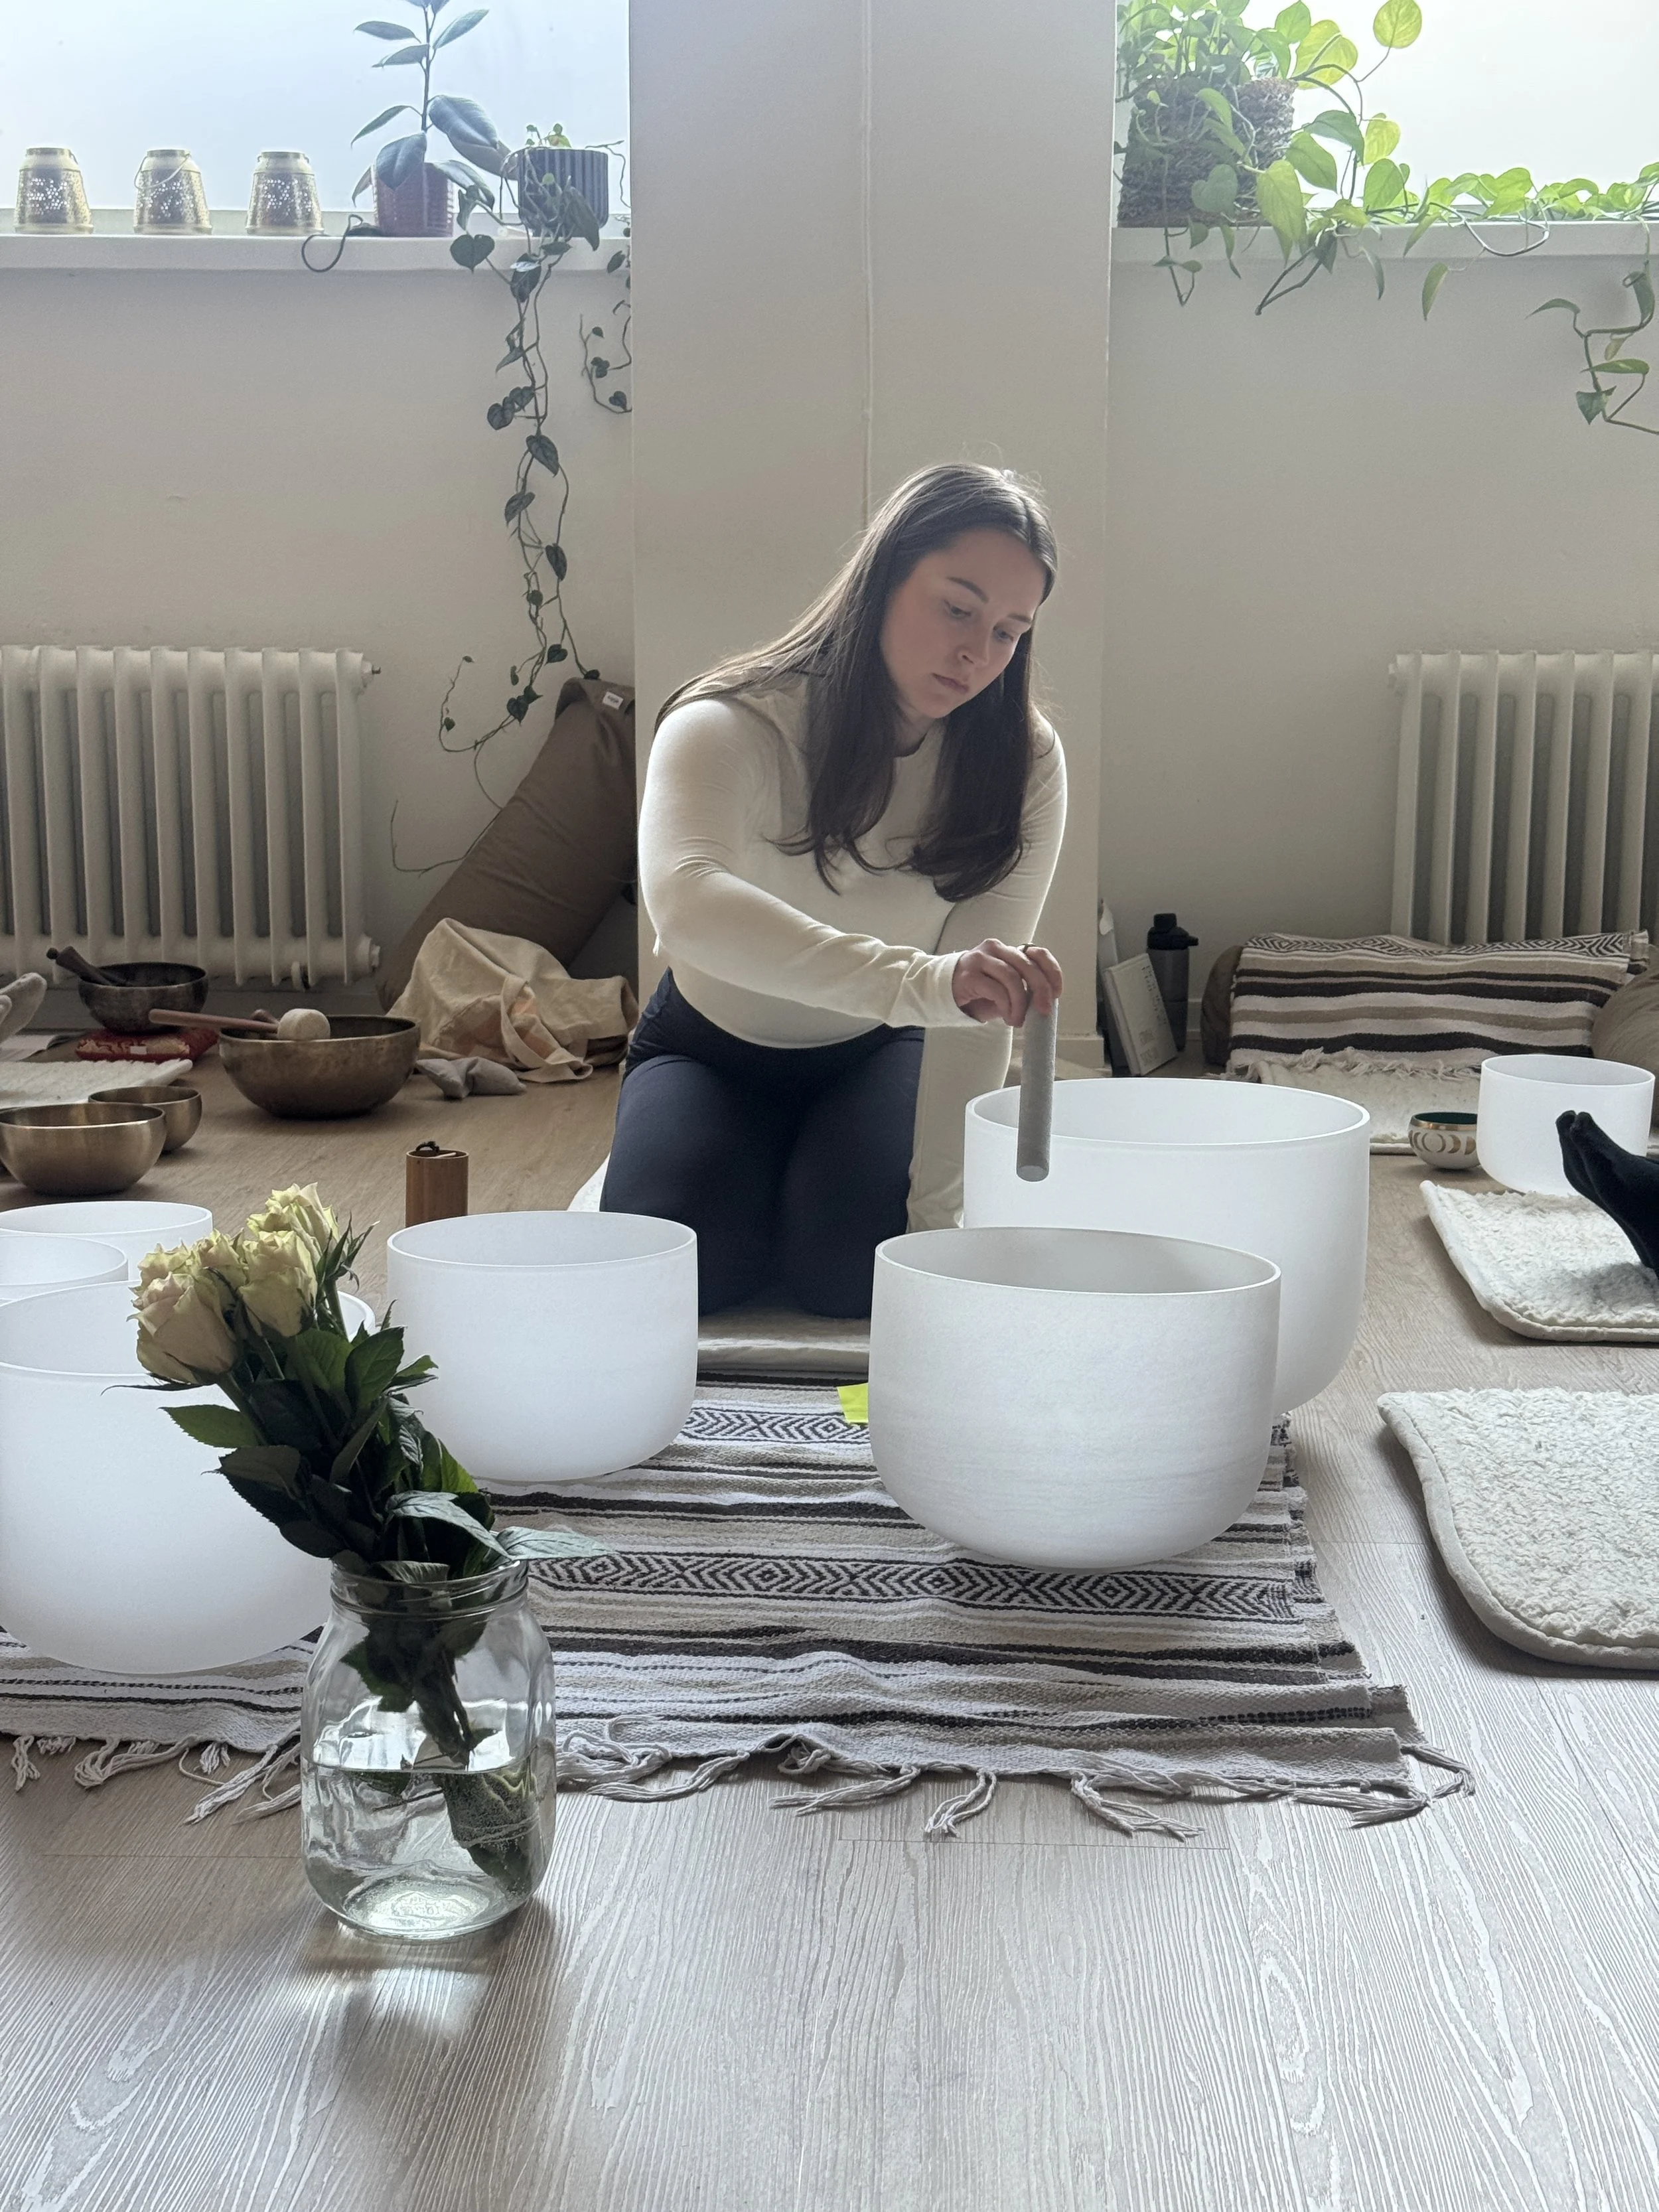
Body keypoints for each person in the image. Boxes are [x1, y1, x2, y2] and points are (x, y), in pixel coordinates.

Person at [601, 462, 1067, 1317]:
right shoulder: (727, 722)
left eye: (1008, 631)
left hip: (880, 1051)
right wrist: (925, 982)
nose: (977, 652)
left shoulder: (1024, 762)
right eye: (957, 607)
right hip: (710, 1046)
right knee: (676, 1279)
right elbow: (688, 906)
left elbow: (978, 1016)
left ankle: (813, 1184)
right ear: (884, 578)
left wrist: (935, 1228)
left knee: (852, 1278)